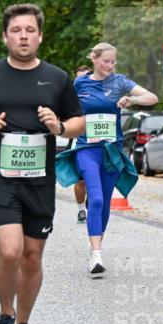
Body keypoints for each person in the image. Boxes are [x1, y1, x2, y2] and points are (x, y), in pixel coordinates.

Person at [0, 4, 84, 324]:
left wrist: (58, 126)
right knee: (11, 250)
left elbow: (78, 122)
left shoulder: (58, 78)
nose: (23, 35)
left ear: (40, 35)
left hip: (39, 178)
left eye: (30, 30)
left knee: (31, 256)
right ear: (5, 36)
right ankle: (4, 314)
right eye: (16, 30)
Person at [63, 43, 157, 274]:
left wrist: (132, 100)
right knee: (94, 199)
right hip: (87, 149)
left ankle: (96, 244)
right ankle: (96, 256)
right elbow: (65, 106)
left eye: (113, 62)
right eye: (106, 61)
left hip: (111, 151)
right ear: (94, 59)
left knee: (103, 202)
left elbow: (152, 97)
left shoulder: (120, 82)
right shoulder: (80, 83)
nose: (110, 66)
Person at [72, 64, 92, 222]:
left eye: (86, 76)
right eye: (80, 78)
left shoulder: (97, 95)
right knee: (80, 180)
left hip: (97, 142)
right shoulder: (71, 96)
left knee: (94, 177)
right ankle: (81, 209)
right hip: (79, 141)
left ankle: (92, 200)